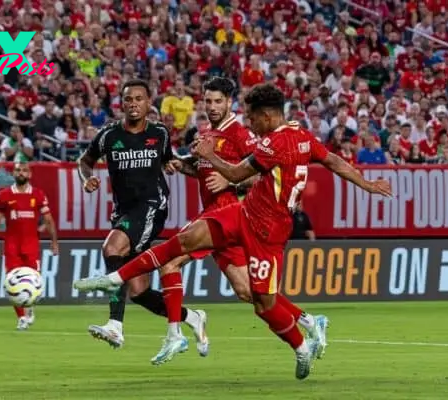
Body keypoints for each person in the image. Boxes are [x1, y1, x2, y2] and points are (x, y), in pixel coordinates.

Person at [74, 83, 392, 379]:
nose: (250, 123)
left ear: (266, 116)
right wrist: (367, 184)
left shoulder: (272, 143)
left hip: (268, 232)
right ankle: (115, 280)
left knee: (260, 302)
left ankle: (302, 343)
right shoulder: (300, 135)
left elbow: (238, 172)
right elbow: (334, 161)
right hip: (242, 213)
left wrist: (211, 158)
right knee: (182, 242)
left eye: (252, 117)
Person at [147, 76, 326, 365]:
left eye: (218, 101)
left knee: (170, 262)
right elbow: (204, 172)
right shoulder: (207, 134)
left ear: (229, 103)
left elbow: (260, 174)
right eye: (208, 101)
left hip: (229, 214)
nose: (213, 106)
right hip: (214, 214)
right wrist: (182, 166)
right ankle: (308, 320)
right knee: (248, 293)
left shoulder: (242, 134)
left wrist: (233, 183)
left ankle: (176, 333)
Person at [76, 79, 206, 350]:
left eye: (138, 99)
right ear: (121, 104)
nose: (133, 104)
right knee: (139, 291)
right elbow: (85, 161)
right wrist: (86, 179)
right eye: (128, 99)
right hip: (124, 211)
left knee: (112, 247)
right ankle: (192, 317)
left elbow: (169, 158)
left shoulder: (159, 133)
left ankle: (115, 326)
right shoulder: (109, 135)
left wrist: (173, 165)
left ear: (149, 103)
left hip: (152, 206)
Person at [0, 162, 59, 330]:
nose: (21, 173)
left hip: (31, 246)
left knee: (33, 280)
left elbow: (48, 219)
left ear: (30, 174)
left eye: (24, 170)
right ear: (13, 173)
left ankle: (29, 307)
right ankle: (21, 317)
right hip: (12, 246)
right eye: (18, 170)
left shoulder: (38, 195)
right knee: (11, 281)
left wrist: (54, 241)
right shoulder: (4, 195)